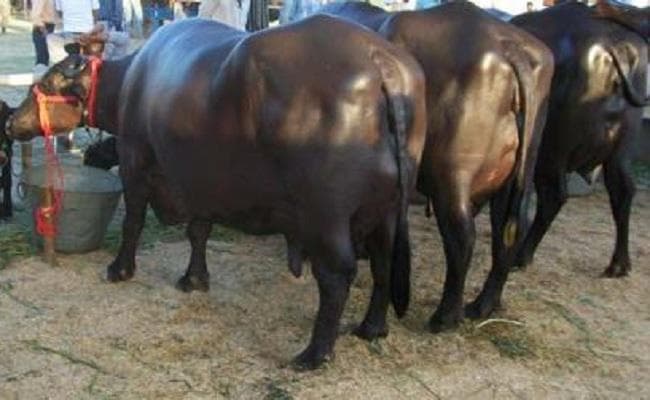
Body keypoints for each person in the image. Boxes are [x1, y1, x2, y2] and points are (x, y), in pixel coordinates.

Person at [31, 0, 57, 69]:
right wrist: (43, 28)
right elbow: (35, 15)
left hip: (47, 26)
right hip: (42, 28)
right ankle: (39, 74)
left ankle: (41, 74)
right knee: (42, 58)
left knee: (44, 57)